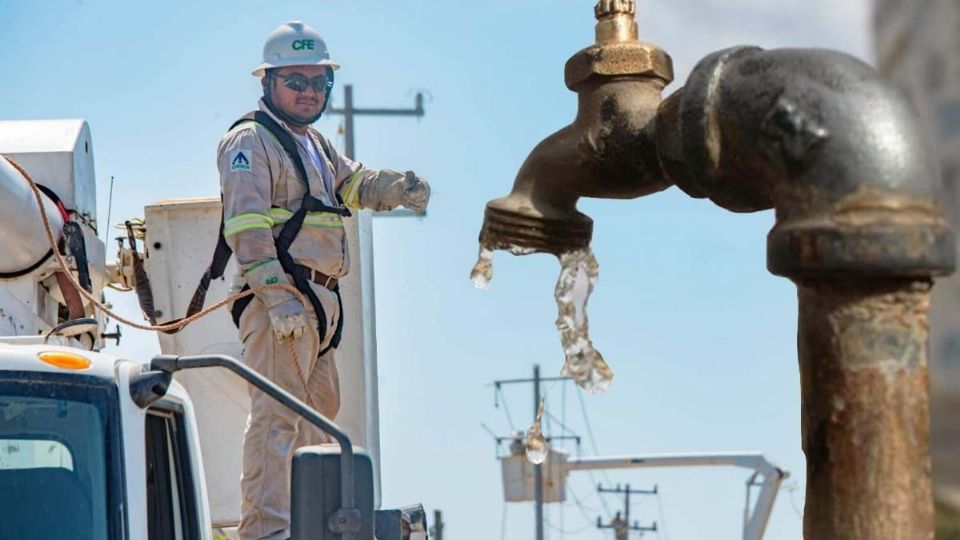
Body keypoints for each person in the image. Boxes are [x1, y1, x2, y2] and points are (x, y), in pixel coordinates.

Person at [216, 20, 430, 540]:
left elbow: (353, 183)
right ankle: (266, 532)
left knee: (319, 420)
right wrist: (276, 297)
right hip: (282, 300)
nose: (310, 92)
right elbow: (244, 226)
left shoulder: (312, 143)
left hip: (318, 302)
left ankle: (310, 524)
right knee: (276, 418)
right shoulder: (250, 141)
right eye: (297, 81)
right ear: (268, 83)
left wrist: (397, 188)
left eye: (319, 83)